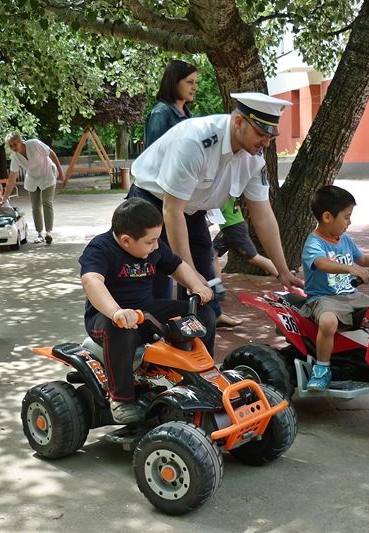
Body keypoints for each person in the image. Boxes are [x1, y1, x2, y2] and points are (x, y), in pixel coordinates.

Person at [128, 92, 304, 317]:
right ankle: (148, 346)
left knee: (205, 290)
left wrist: (282, 270)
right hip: (151, 204)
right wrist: (188, 272)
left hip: (191, 210)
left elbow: (263, 216)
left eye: (271, 137)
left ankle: (197, 341)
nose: (266, 143)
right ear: (239, 122)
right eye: (261, 133)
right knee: (156, 284)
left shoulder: (254, 159)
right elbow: (172, 210)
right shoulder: (196, 141)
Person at [79, 197, 215, 423]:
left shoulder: (153, 246)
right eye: (150, 242)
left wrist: (197, 285)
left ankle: (201, 377)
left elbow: (176, 265)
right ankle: (121, 399)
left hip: (147, 311)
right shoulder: (101, 248)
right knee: (121, 330)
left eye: (156, 240)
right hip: (107, 317)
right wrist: (116, 311)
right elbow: (91, 280)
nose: (155, 246)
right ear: (126, 240)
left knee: (203, 315)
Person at [301, 185, 369, 391]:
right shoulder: (314, 243)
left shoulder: (345, 240)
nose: (350, 222)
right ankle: (322, 368)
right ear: (327, 217)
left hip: (352, 296)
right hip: (324, 299)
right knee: (328, 321)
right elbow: (322, 263)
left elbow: (364, 259)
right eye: (346, 217)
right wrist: (350, 269)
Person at [2, 132, 66, 245]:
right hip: (32, 178)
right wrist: (4, 198)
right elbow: (11, 179)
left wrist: (61, 174)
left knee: (47, 202)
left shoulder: (34, 144)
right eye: (10, 146)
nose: (13, 147)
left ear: (20, 141)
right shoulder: (15, 158)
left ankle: (48, 232)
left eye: (15, 144)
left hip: (47, 173)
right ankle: (40, 234)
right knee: (35, 206)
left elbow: (52, 154)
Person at [212, 196, 279, 279]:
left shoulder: (222, 194)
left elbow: (214, 210)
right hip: (229, 228)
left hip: (234, 228)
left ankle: (281, 274)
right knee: (212, 253)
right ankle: (217, 284)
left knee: (253, 257)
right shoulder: (228, 191)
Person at [143, 60, 198, 148]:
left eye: (196, 82)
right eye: (189, 82)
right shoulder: (161, 113)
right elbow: (153, 155)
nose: (195, 87)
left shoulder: (188, 114)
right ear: (174, 82)